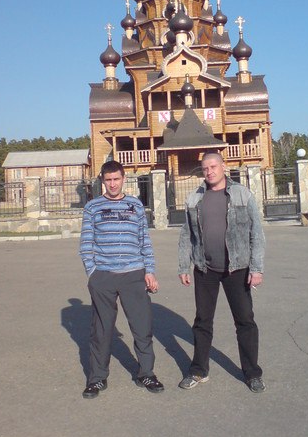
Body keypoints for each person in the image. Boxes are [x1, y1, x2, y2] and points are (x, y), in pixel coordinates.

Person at [178, 151, 266, 392]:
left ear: (223, 166)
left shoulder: (242, 194)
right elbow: (187, 235)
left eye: (213, 166)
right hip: (205, 269)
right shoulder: (195, 198)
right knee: (202, 321)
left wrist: (257, 268)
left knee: (245, 321)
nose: (209, 172)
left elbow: (256, 233)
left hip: (237, 268)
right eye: (205, 168)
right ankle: (199, 370)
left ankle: (252, 373)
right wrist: (184, 265)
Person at [79, 160, 164, 398]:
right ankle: (97, 378)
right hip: (103, 276)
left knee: (142, 327)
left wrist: (149, 270)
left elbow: (144, 241)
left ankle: (146, 373)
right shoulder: (93, 207)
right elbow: (86, 243)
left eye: (116, 179)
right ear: (102, 181)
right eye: (108, 180)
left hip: (134, 274)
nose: (113, 184)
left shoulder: (135, 205)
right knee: (101, 331)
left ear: (123, 179)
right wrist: (92, 273)